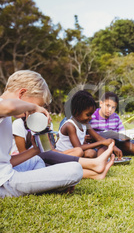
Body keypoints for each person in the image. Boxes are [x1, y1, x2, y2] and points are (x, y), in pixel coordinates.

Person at [0, 70, 83, 198]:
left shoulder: (6, 118)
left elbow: (5, 162)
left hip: (5, 173)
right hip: (4, 183)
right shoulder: (4, 107)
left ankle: (45, 184)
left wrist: (35, 150)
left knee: (36, 160)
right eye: (36, 106)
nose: (33, 112)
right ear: (22, 93)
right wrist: (32, 107)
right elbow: (10, 106)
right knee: (75, 169)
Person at [56, 90, 122, 159]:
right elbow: (78, 147)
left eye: (91, 115)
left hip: (78, 152)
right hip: (65, 154)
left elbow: (98, 138)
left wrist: (113, 146)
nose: (90, 118)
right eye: (88, 115)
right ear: (76, 112)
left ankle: (98, 161)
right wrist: (102, 143)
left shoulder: (85, 124)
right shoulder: (70, 125)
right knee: (85, 151)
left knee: (91, 153)